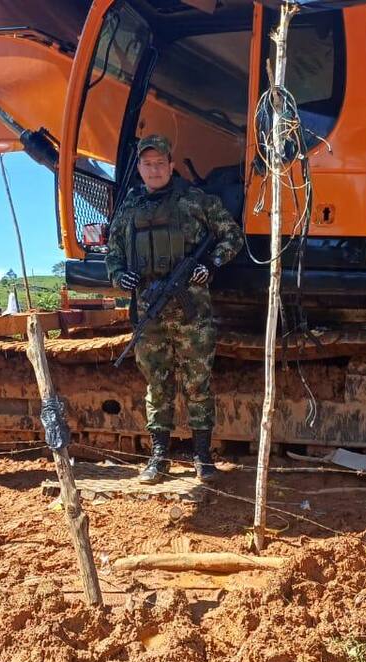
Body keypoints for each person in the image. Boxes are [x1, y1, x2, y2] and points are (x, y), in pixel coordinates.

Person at [105, 134, 244, 484]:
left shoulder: (196, 201)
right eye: (147, 164)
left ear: (170, 165)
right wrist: (120, 276)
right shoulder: (129, 209)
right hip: (149, 313)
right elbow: (113, 254)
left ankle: (202, 458)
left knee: (198, 384)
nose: (153, 169)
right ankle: (159, 456)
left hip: (192, 314)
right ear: (139, 168)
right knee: (157, 386)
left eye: (159, 163)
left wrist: (210, 264)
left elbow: (232, 236)